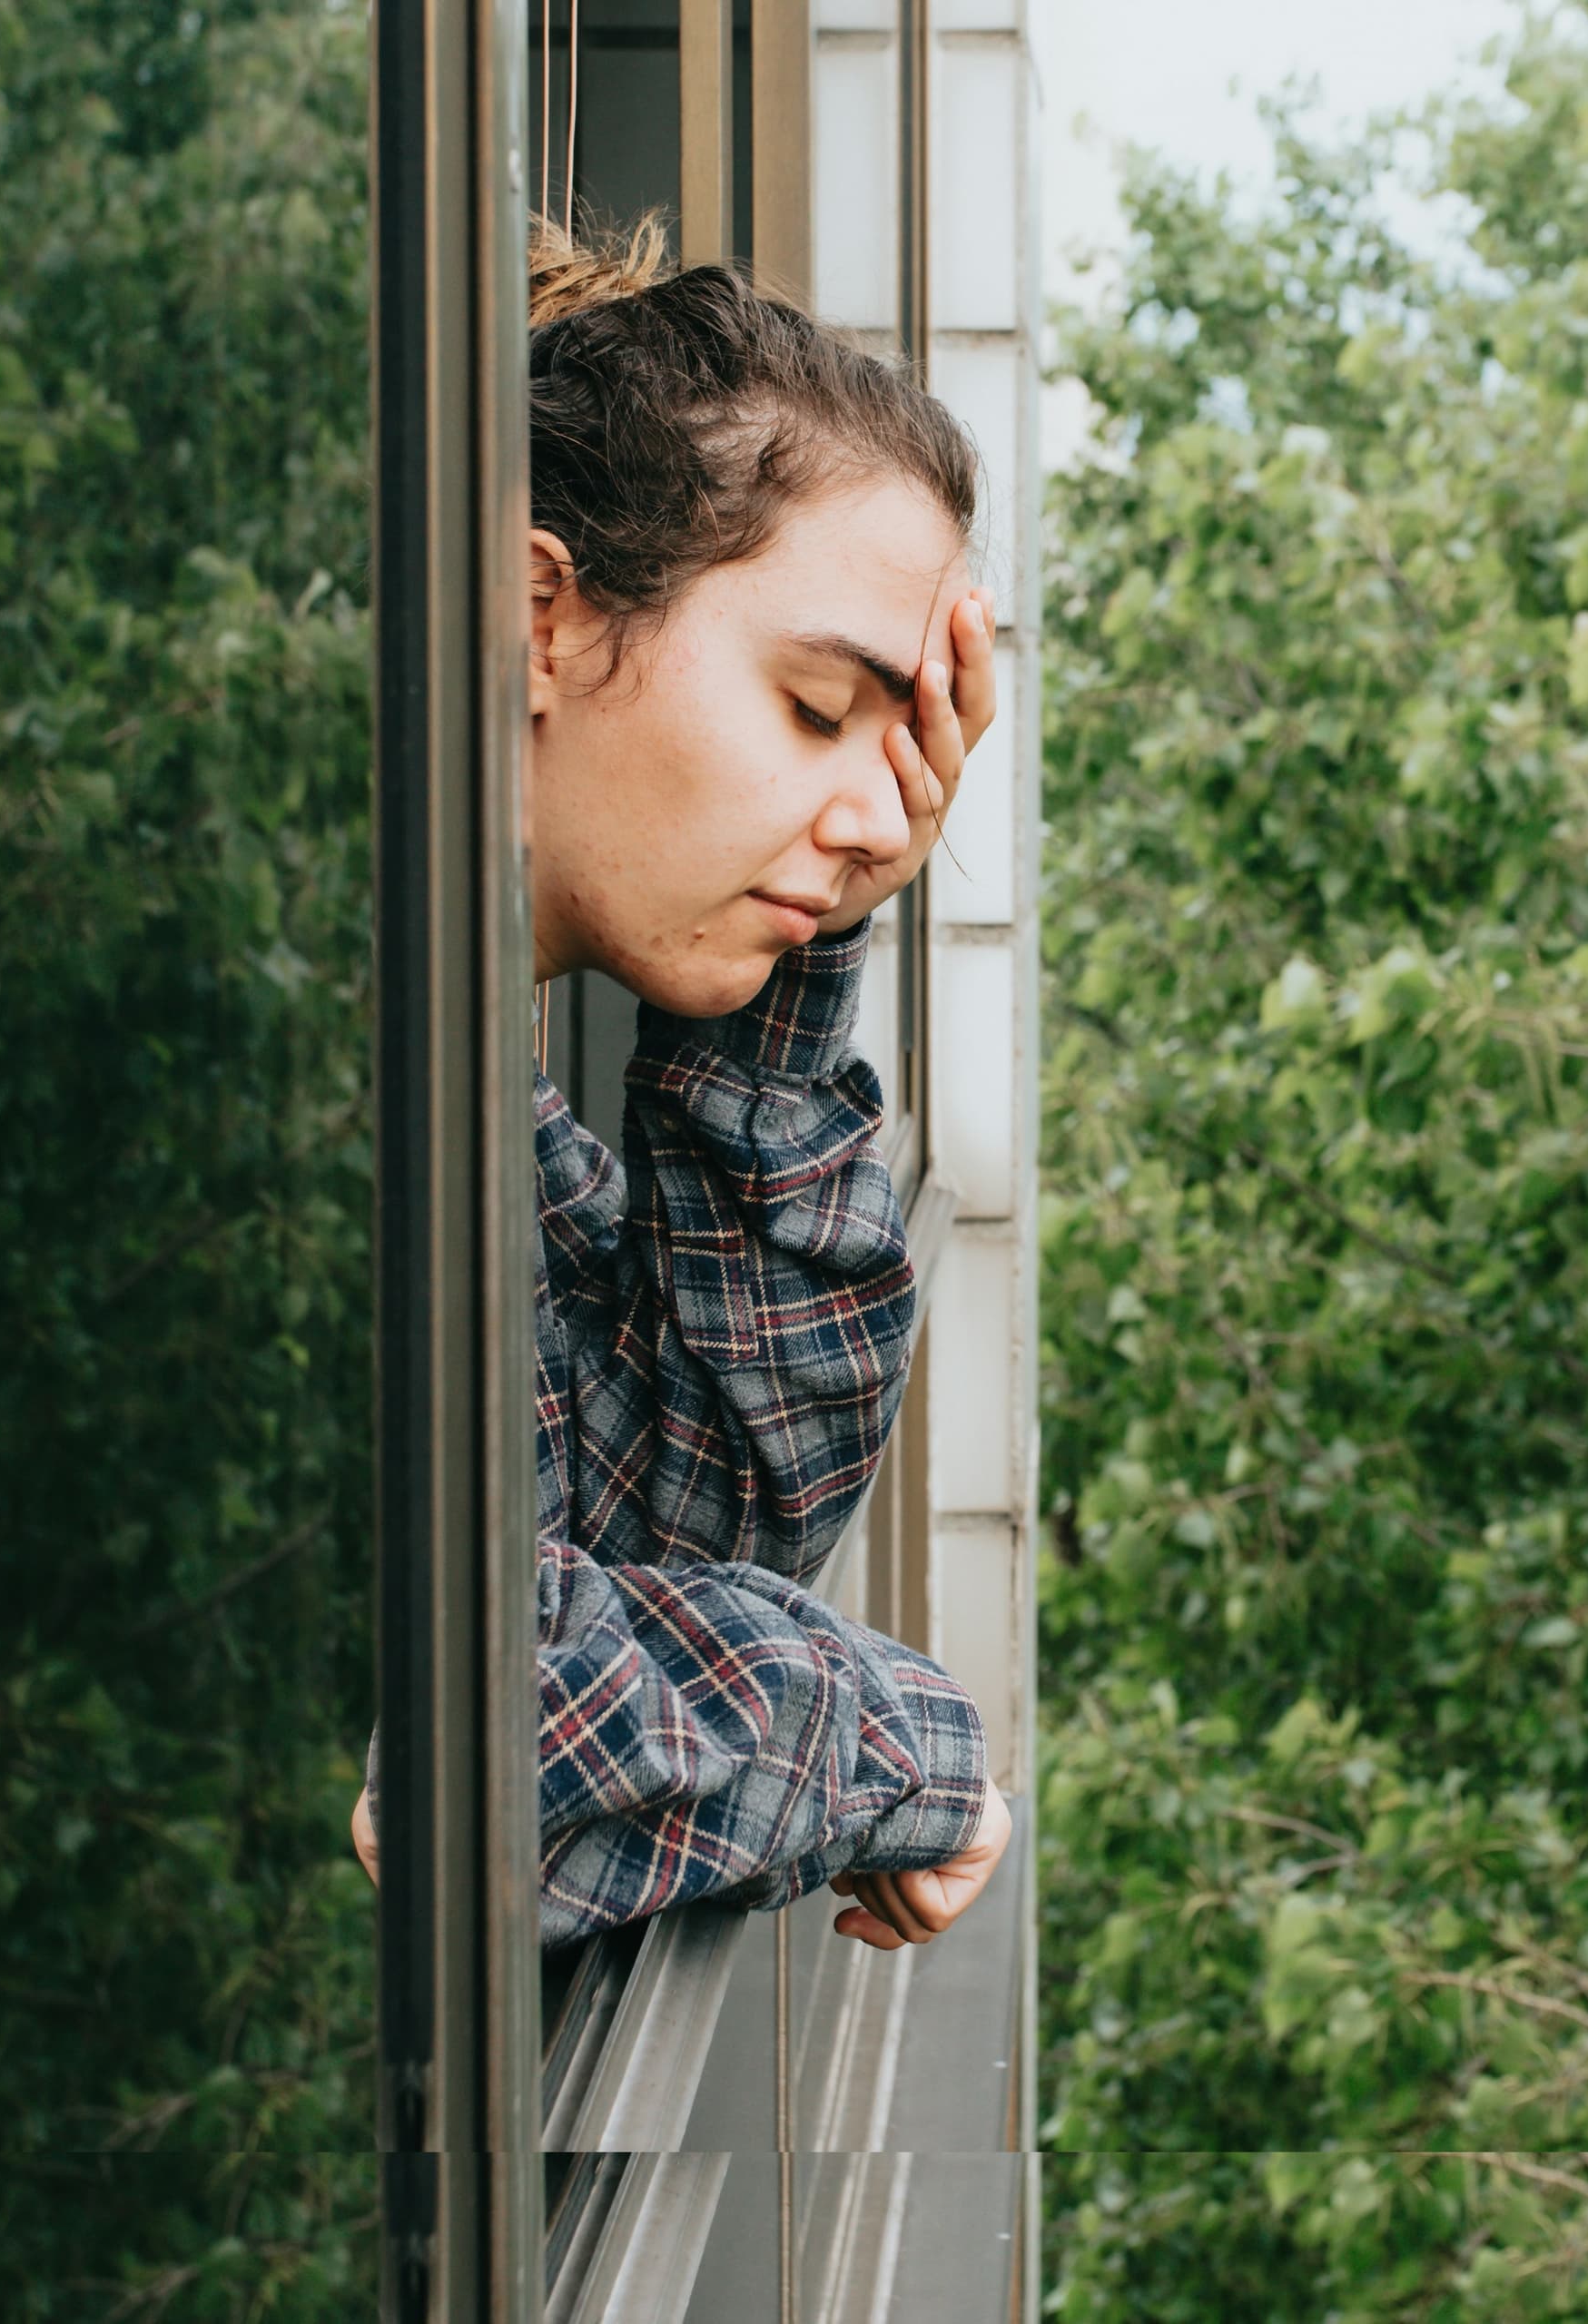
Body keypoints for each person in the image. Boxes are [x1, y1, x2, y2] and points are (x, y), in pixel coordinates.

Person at [350, 218, 1009, 1955]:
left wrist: (799, 947)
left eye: (909, 740)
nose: (889, 819)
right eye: (817, 708)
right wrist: (902, 1740)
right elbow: (476, 1721)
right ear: (545, 616)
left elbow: (694, 1507)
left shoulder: (472, 1068)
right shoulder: (330, 1042)